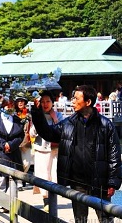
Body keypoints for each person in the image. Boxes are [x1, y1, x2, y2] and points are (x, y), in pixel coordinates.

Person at [31, 85, 121, 222]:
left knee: (105, 219)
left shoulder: (105, 125)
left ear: (88, 102)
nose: (72, 101)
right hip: (77, 182)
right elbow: (48, 133)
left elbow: (114, 155)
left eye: (76, 98)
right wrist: (37, 113)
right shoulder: (68, 124)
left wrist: (113, 182)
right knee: (80, 220)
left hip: (100, 182)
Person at [0, 96, 25, 213]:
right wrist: (3, 144)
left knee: (13, 179)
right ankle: (2, 202)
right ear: (2, 106)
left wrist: (11, 145)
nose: (9, 108)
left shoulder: (18, 120)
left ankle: (10, 203)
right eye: (7, 106)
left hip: (14, 153)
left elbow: (20, 136)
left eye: (11, 106)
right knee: (0, 179)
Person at [29, 90, 63, 212]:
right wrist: (38, 124)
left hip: (54, 150)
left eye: (48, 101)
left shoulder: (58, 115)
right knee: (43, 176)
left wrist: (54, 120)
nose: (45, 104)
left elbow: (61, 131)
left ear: (52, 103)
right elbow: (31, 133)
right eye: (42, 102)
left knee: (54, 176)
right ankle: (46, 202)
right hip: (41, 149)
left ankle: (53, 201)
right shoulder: (37, 115)